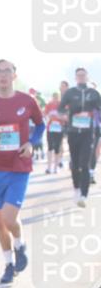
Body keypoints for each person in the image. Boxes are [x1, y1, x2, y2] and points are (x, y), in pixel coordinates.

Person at [0, 59, 44, 284]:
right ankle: (9, 264)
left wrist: (31, 143)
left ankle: (20, 244)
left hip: (19, 165)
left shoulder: (26, 101)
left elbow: (40, 125)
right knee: (0, 222)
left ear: (14, 75)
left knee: (10, 217)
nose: (3, 75)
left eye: (7, 71)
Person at [58, 67, 101, 207]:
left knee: (85, 163)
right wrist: (66, 115)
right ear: (75, 78)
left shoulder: (93, 93)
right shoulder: (70, 93)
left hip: (88, 132)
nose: (81, 77)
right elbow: (61, 108)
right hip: (73, 131)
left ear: (87, 77)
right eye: (79, 75)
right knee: (75, 163)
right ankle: (76, 188)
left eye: (83, 75)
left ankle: (84, 194)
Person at [44, 91, 64, 174]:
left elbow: (65, 116)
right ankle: (49, 167)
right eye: (54, 96)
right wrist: (49, 116)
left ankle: (56, 167)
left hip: (59, 128)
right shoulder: (49, 104)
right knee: (50, 147)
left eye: (57, 96)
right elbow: (44, 114)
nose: (55, 98)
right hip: (50, 128)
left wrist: (59, 117)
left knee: (57, 147)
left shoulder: (62, 104)